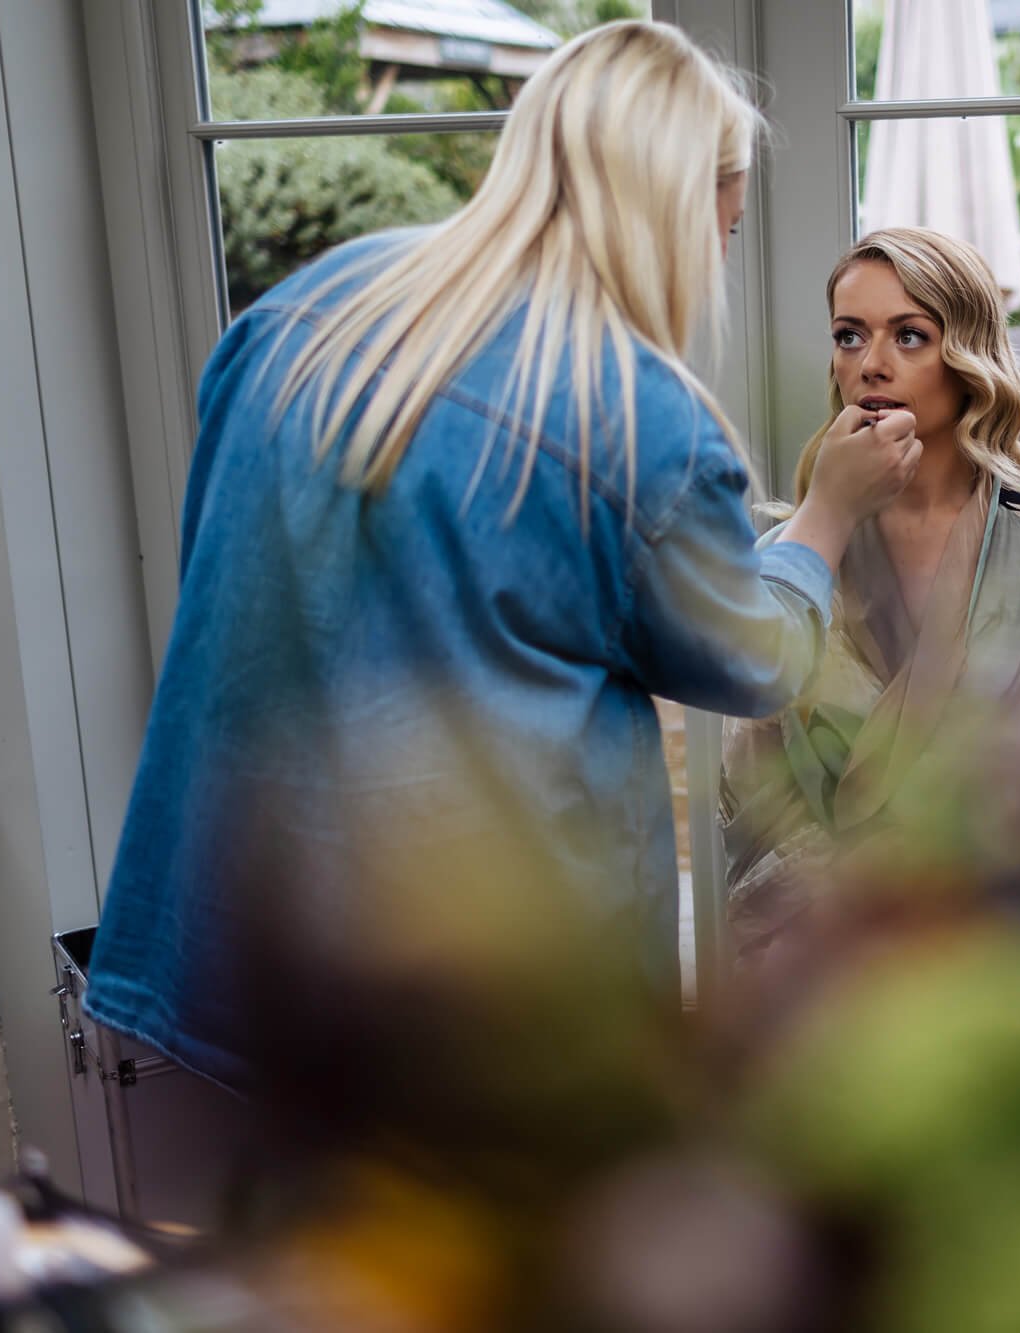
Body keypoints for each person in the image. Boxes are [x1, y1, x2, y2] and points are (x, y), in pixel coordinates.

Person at [82, 21, 921, 1106]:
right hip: (471, 989)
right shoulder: (636, 416)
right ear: (677, 208)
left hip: (235, 943)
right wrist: (825, 513)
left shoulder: (309, 309)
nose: (718, 259)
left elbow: (233, 573)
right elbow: (751, 661)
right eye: (724, 227)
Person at [719, 228, 1020, 961]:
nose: (871, 364)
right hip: (817, 948)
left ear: (966, 356)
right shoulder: (789, 559)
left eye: (910, 336)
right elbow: (747, 796)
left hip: (999, 946)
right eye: (849, 336)